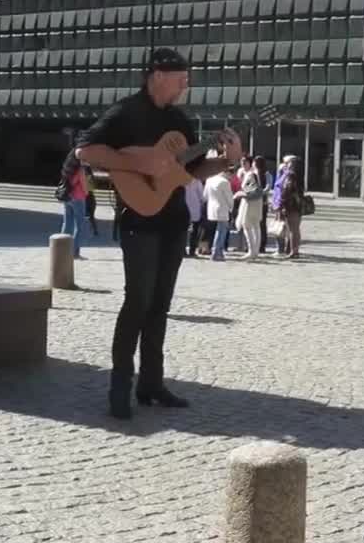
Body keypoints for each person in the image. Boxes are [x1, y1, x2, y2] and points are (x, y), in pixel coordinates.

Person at [75, 47, 243, 420]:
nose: (186, 84)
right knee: (137, 302)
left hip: (173, 221)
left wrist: (230, 159)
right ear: (157, 75)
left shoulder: (180, 121)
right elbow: (86, 150)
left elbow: (192, 169)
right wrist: (137, 160)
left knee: (160, 306)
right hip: (138, 220)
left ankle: (151, 383)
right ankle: (120, 387)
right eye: (181, 77)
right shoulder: (125, 112)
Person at [57, 150, 91, 259]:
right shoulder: (80, 169)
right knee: (80, 225)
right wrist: (87, 194)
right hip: (78, 198)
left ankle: (61, 250)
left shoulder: (67, 168)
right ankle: (74, 252)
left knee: (67, 223)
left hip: (67, 197)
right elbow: (85, 185)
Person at [235, 156, 268, 260]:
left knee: (247, 225)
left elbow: (248, 191)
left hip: (250, 203)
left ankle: (251, 250)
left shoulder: (251, 174)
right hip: (258, 202)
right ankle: (255, 251)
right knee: (256, 226)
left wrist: (240, 194)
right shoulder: (264, 174)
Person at [277, 157, 305, 258]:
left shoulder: (291, 176)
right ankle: (296, 250)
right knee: (296, 229)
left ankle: (293, 251)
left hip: (290, 205)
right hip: (297, 205)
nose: (287, 165)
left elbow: (286, 191)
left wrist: (281, 204)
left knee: (292, 229)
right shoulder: (299, 176)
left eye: (288, 163)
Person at [204, 168, 235, 261]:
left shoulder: (209, 180)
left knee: (218, 230)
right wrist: (231, 207)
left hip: (212, 208)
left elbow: (205, 196)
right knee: (222, 231)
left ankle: (217, 251)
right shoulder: (224, 182)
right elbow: (229, 197)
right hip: (222, 208)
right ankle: (217, 251)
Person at [184, 177, 204, 257]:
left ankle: (183, 250)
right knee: (194, 231)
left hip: (184, 207)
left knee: (184, 231)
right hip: (194, 209)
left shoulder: (181, 178)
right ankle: (192, 251)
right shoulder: (196, 180)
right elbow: (201, 195)